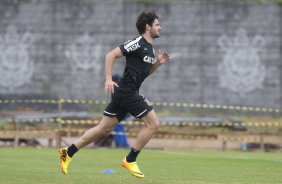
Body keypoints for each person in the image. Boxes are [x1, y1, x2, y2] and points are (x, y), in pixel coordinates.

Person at [59, 10, 170, 178]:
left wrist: (158, 64)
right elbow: (111, 55)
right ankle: (130, 159)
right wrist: (108, 79)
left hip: (126, 93)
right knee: (153, 123)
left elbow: (143, 74)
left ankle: (68, 152)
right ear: (148, 27)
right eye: (157, 24)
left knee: (103, 128)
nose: (160, 27)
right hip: (127, 91)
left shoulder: (150, 50)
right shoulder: (137, 42)